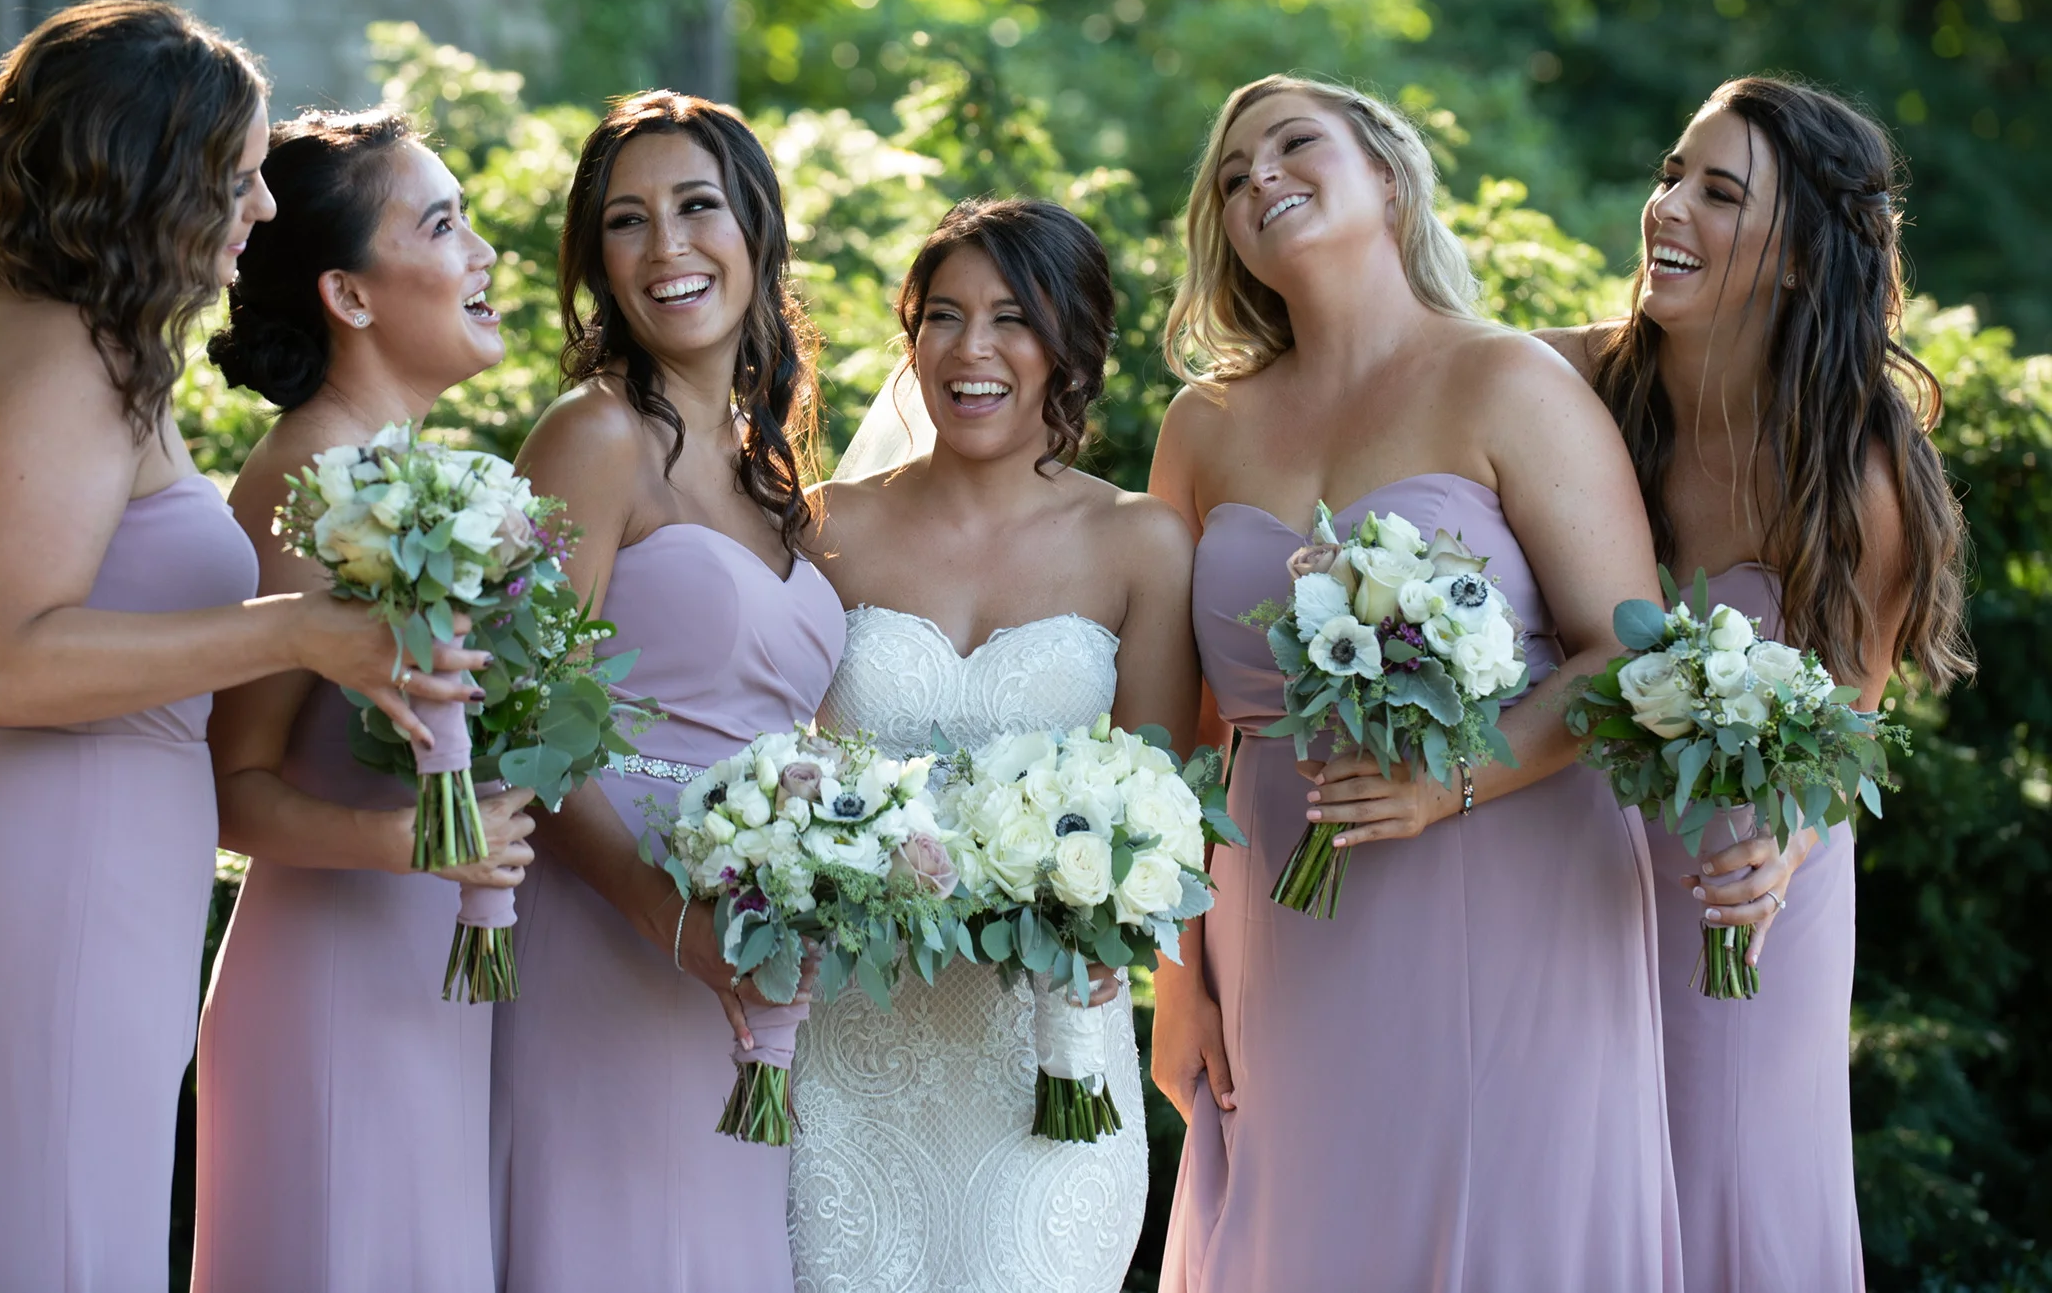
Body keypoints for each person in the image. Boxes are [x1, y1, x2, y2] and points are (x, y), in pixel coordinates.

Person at [0, 1, 480, 1293]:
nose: (262, 206)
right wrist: (298, 629)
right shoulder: (66, 352)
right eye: (237, 175)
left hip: (36, 872)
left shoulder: (16, 326)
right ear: (148, 172)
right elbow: (5, 665)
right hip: (47, 885)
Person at [1149, 75, 1681, 1291]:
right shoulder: (1201, 426)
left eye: (1294, 144)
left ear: (1387, 178)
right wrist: (1176, 981)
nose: (1259, 176)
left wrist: (1453, 781)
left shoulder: (1508, 382)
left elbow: (1630, 649)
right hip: (1278, 926)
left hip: (1509, 887)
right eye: (1231, 177)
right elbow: (1176, 744)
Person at [1538, 75, 1971, 1293]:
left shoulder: (1858, 474)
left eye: (1719, 192)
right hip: (1566, 862)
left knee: (1729, 1192)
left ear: (1797, 256)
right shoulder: (1563, 388)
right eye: (1671, 174)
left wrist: (1782, 843)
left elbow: (1846, 728)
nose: (1668, 206)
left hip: (1745, 882)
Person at [788, 198, 1199, 1292]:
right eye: (943, 316)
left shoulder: (1141, 542)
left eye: (1012, 317)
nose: (971, 349)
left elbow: (1164, 803)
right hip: (850, 1045)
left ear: (1071, 342)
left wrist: (1117, 923)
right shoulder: (822, 528)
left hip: (1047, 1058)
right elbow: (775, 766)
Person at [489, 91, 844, 1293]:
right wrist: (667, 918)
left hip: (750, 932)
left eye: (697, 207)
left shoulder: (765, 462)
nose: (666, 246)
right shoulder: (591, 438)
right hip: (613, 923)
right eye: (626, 221)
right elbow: (522, 719)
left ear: (755, 232)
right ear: (597, 262)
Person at [193, 108, 539, 1292]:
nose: (483, 254)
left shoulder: (413, 474)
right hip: (332, 979)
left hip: (427, 972)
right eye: (441, 226)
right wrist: (410, 841)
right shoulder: (306, 480)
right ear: (347, 294)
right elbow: (230, 789)